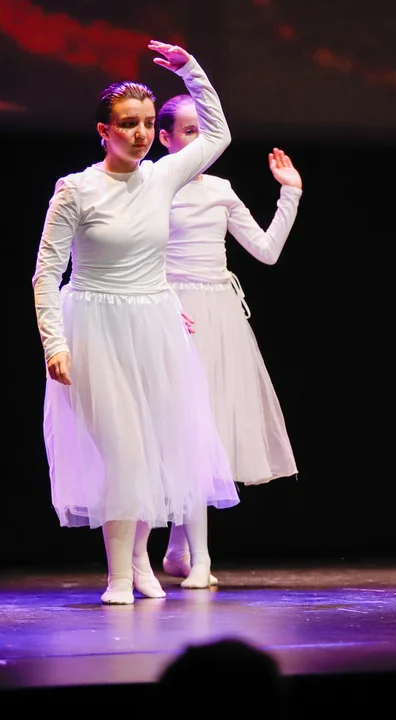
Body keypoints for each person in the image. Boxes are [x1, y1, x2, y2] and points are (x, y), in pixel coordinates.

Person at [32, 41, 238, 604]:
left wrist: (191, 71)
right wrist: (54, 343)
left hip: (155, 323)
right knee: (123, 450)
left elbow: (218, 134)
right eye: (129, 123)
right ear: (104, 131)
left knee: (152, 450)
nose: (142, 133)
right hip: (94, 325)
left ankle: (141, 561)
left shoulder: (162, 177)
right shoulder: (76, 190)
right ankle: (119, 576)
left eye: (148, 122)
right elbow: (46, 273)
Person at [155, 93, 303, 585]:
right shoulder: (153, 184)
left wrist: (290, 194)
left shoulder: (220, 189)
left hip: (219, 315)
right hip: (172, 312)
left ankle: (182, 551)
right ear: (165, 138)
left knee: (207, 430)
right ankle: (196, 557)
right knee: (183, 430)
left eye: (204, 131)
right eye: (188, 132)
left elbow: (266, 250)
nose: (199, 141)